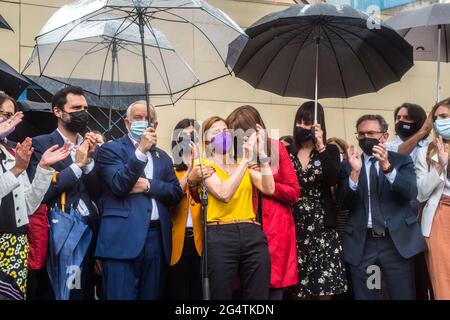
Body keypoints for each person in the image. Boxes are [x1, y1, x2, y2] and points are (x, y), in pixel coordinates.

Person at [95, 101, 183, 300]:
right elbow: (119, 184)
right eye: (138, 118)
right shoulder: (111, 150)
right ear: (127, 123)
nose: (143, 122)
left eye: (148, 119)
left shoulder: (163, 157)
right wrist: (141, 151)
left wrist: (148, 185)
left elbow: (175, 192)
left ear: (156, 126)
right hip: (121, 239)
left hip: (156, 240)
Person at [27, 86, 103, 300]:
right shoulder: (41, 144)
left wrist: (89, 163)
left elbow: (98, 192)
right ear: (58, 112)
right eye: (76, 108)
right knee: (57, 292)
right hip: (58, 233)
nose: (82, 113)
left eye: (85, 108)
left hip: (88, 232)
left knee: (83, 290)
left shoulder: (92, 144)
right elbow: (42, 192)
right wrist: (76, 166)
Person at [339, 114, 426, 300]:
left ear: (384, 136)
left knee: (401, 294)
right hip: (364, 244)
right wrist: (354, 173)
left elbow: (410, 193)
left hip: (395, 243)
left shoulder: (402, 161)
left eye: (371, 133)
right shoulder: (349, 165)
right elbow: (343, 203)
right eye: (361, 134)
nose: (365, 138)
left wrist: (387, 167)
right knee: (368, 294)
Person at [0, 93, 71, 300]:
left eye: (10, 114)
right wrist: (16, 171)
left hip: (15, 244)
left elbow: (28, 205)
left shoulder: (11, 153)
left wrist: (43, 168)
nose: (6, 119)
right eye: (1, 113)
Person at [226, 105, 300, 300]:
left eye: (244, 132)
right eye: (235, 133)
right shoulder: (229, 155)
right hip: (241, 231)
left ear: (257, 128)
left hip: (274, 231)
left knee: (272, 291)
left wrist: (261, 178)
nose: (240, 138)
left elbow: (294, 193)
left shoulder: (275, 148)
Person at [198, 116, 273, 300]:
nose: (223, 135)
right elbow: (224, 194)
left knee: (258, 296)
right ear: (207, 140)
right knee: (220, 294)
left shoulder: (243, 163)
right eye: (216, 132)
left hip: (251, 232)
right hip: (220, 235)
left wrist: (261, 154)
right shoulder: (203, 165)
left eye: (225, 131)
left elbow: (269, 188)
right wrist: (244, 162)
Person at [288, 102, 347, 299]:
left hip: (322, 225)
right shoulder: (287, 152)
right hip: (294, 224)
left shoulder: (330, 150)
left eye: (308, 123)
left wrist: (320, 145)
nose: (302, 127)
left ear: (318, 125)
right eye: (299, 122)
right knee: (298, 289)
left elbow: (333, 178)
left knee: (324, 286)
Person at [385, 102, 432, 300]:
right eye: (398, 118)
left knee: (425, 273)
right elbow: (395, 158)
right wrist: (421, 133)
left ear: (418, 121)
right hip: (399, 217)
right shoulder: (390, 145)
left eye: (407, 118)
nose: (401, 121)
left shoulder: (430, 148)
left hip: (425, 215)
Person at [166, 118, 215, 300]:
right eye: (183, 135)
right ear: (176, 140)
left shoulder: (208, 168)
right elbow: (169, 201)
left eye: (192, 135)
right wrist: (188, 175)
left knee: (199, 292)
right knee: (177, 291)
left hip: (201, 241)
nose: (188, 139)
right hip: (176, 241)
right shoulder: (169, 168)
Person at [415, 97, 450, 300]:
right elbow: (421, 193)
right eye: (436, 118)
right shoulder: (425, 152)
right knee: (442, 281)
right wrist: (439, 165)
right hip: (439, 217)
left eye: (444, 116)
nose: (439, 122)